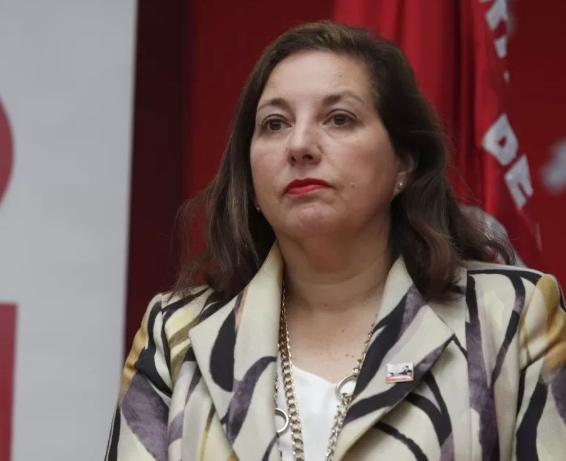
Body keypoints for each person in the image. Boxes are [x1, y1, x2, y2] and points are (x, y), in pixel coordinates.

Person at [105, 21, 566, 460]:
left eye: (339, 119)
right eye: (275, 124)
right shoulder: (176, 334)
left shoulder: (510, 318)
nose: (299, 145)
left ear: (404, 163)